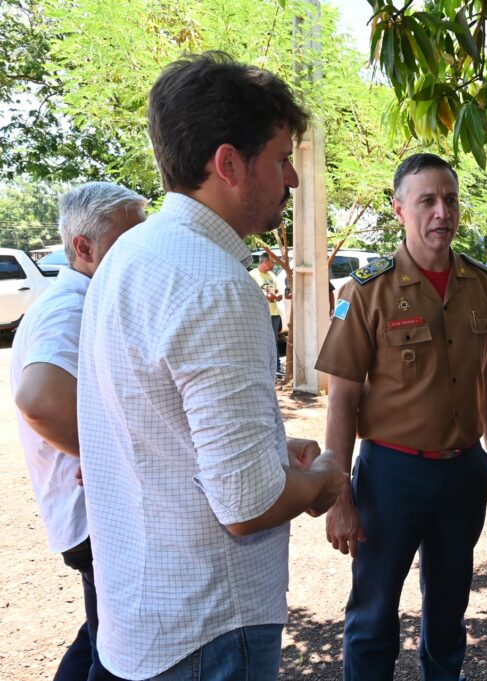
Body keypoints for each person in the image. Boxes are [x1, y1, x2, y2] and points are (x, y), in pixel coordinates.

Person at [76, 52, 346, 680]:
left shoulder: (130, 254)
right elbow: (248, 503)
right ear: (229, 164)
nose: (293, 180)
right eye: (281, 159)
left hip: (140, 622)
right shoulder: (216, 283)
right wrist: (323, 482)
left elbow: (161, 430)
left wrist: (270, 446)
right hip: (208, 632)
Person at [316, 152, 487, 681]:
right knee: (374, 613)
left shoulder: (484, 286)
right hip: (391, 476)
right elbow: (342, 398)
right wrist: (341, 496)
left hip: (463, 471)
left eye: (449, 199)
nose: (441, 211)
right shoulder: (366, 291)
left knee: (448, 610)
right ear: (400, 210)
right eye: (427, 200)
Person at [11, 182, 146, 681]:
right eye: (126, 243)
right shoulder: (71, 307)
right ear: (83, 249)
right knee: (119, 655)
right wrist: (112, 456)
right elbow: (39, 400)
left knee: (98, 639)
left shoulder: (88, 298)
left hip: (93, 516)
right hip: (97, 519)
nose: (139, 255)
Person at [251, 251, 284, 373]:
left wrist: (278, 295)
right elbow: (253, 292)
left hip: (274, 314)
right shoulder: (252, 275)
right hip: (260, 313)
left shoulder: (272, 276)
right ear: (265, 262)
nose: (274, 265)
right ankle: (261, 369)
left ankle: (276, 368)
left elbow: (277, 291)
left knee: (273, 341)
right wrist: (265, 295)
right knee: (261, 341)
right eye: (272, 262)